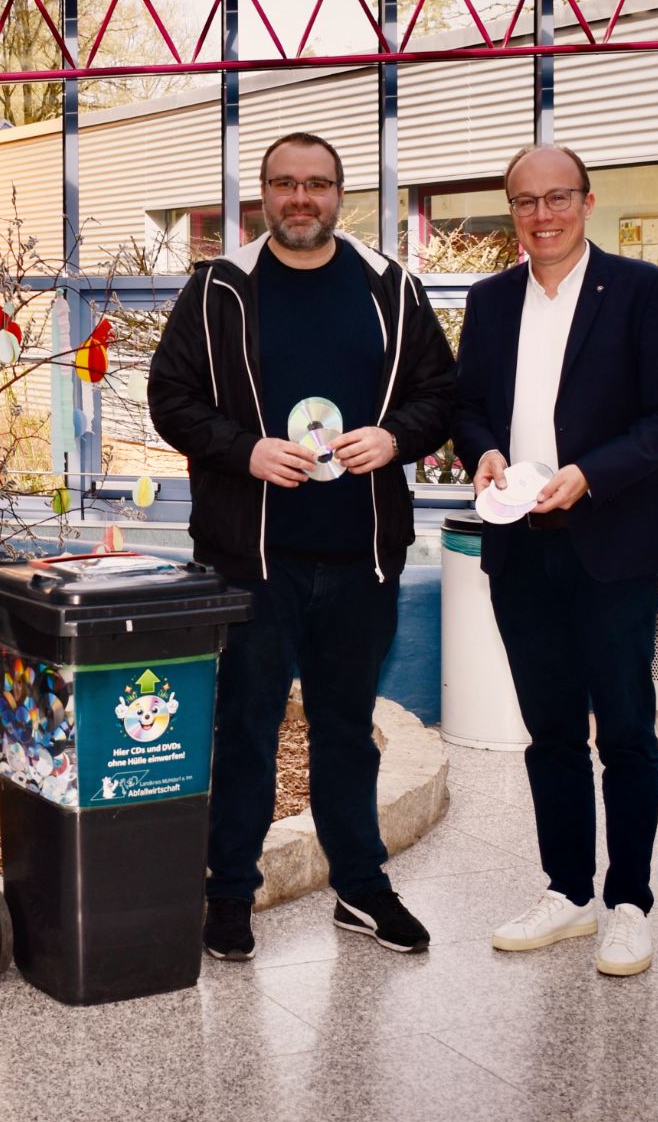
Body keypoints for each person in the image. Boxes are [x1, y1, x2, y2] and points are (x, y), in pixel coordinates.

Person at [148, 132, 456, 961]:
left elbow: (439, 393)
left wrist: (393, 438)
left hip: (362, 559)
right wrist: (242, 447)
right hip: (252, 559)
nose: (300, 199)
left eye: (316, 185)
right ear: (263, 195)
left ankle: (359, 886)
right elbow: (168, 398)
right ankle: (228, 894)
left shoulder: (390, 287)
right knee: (245, 728)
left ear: (338, 194)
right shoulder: (218, 288)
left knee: (346, 730)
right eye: (284, 184)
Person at [452, 144, 658, 977]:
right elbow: (470, 408)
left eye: (558, 198)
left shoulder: (640, 290)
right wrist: (482, 452)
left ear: (588, 203)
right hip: (519, 545)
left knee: (625, 730)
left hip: (614, 546)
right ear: (511, 210)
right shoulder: (488, 302)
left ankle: (630, 902)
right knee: (549, 731)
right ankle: (567, 891)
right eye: (526, 201)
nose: (542, 215)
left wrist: (590, 475)